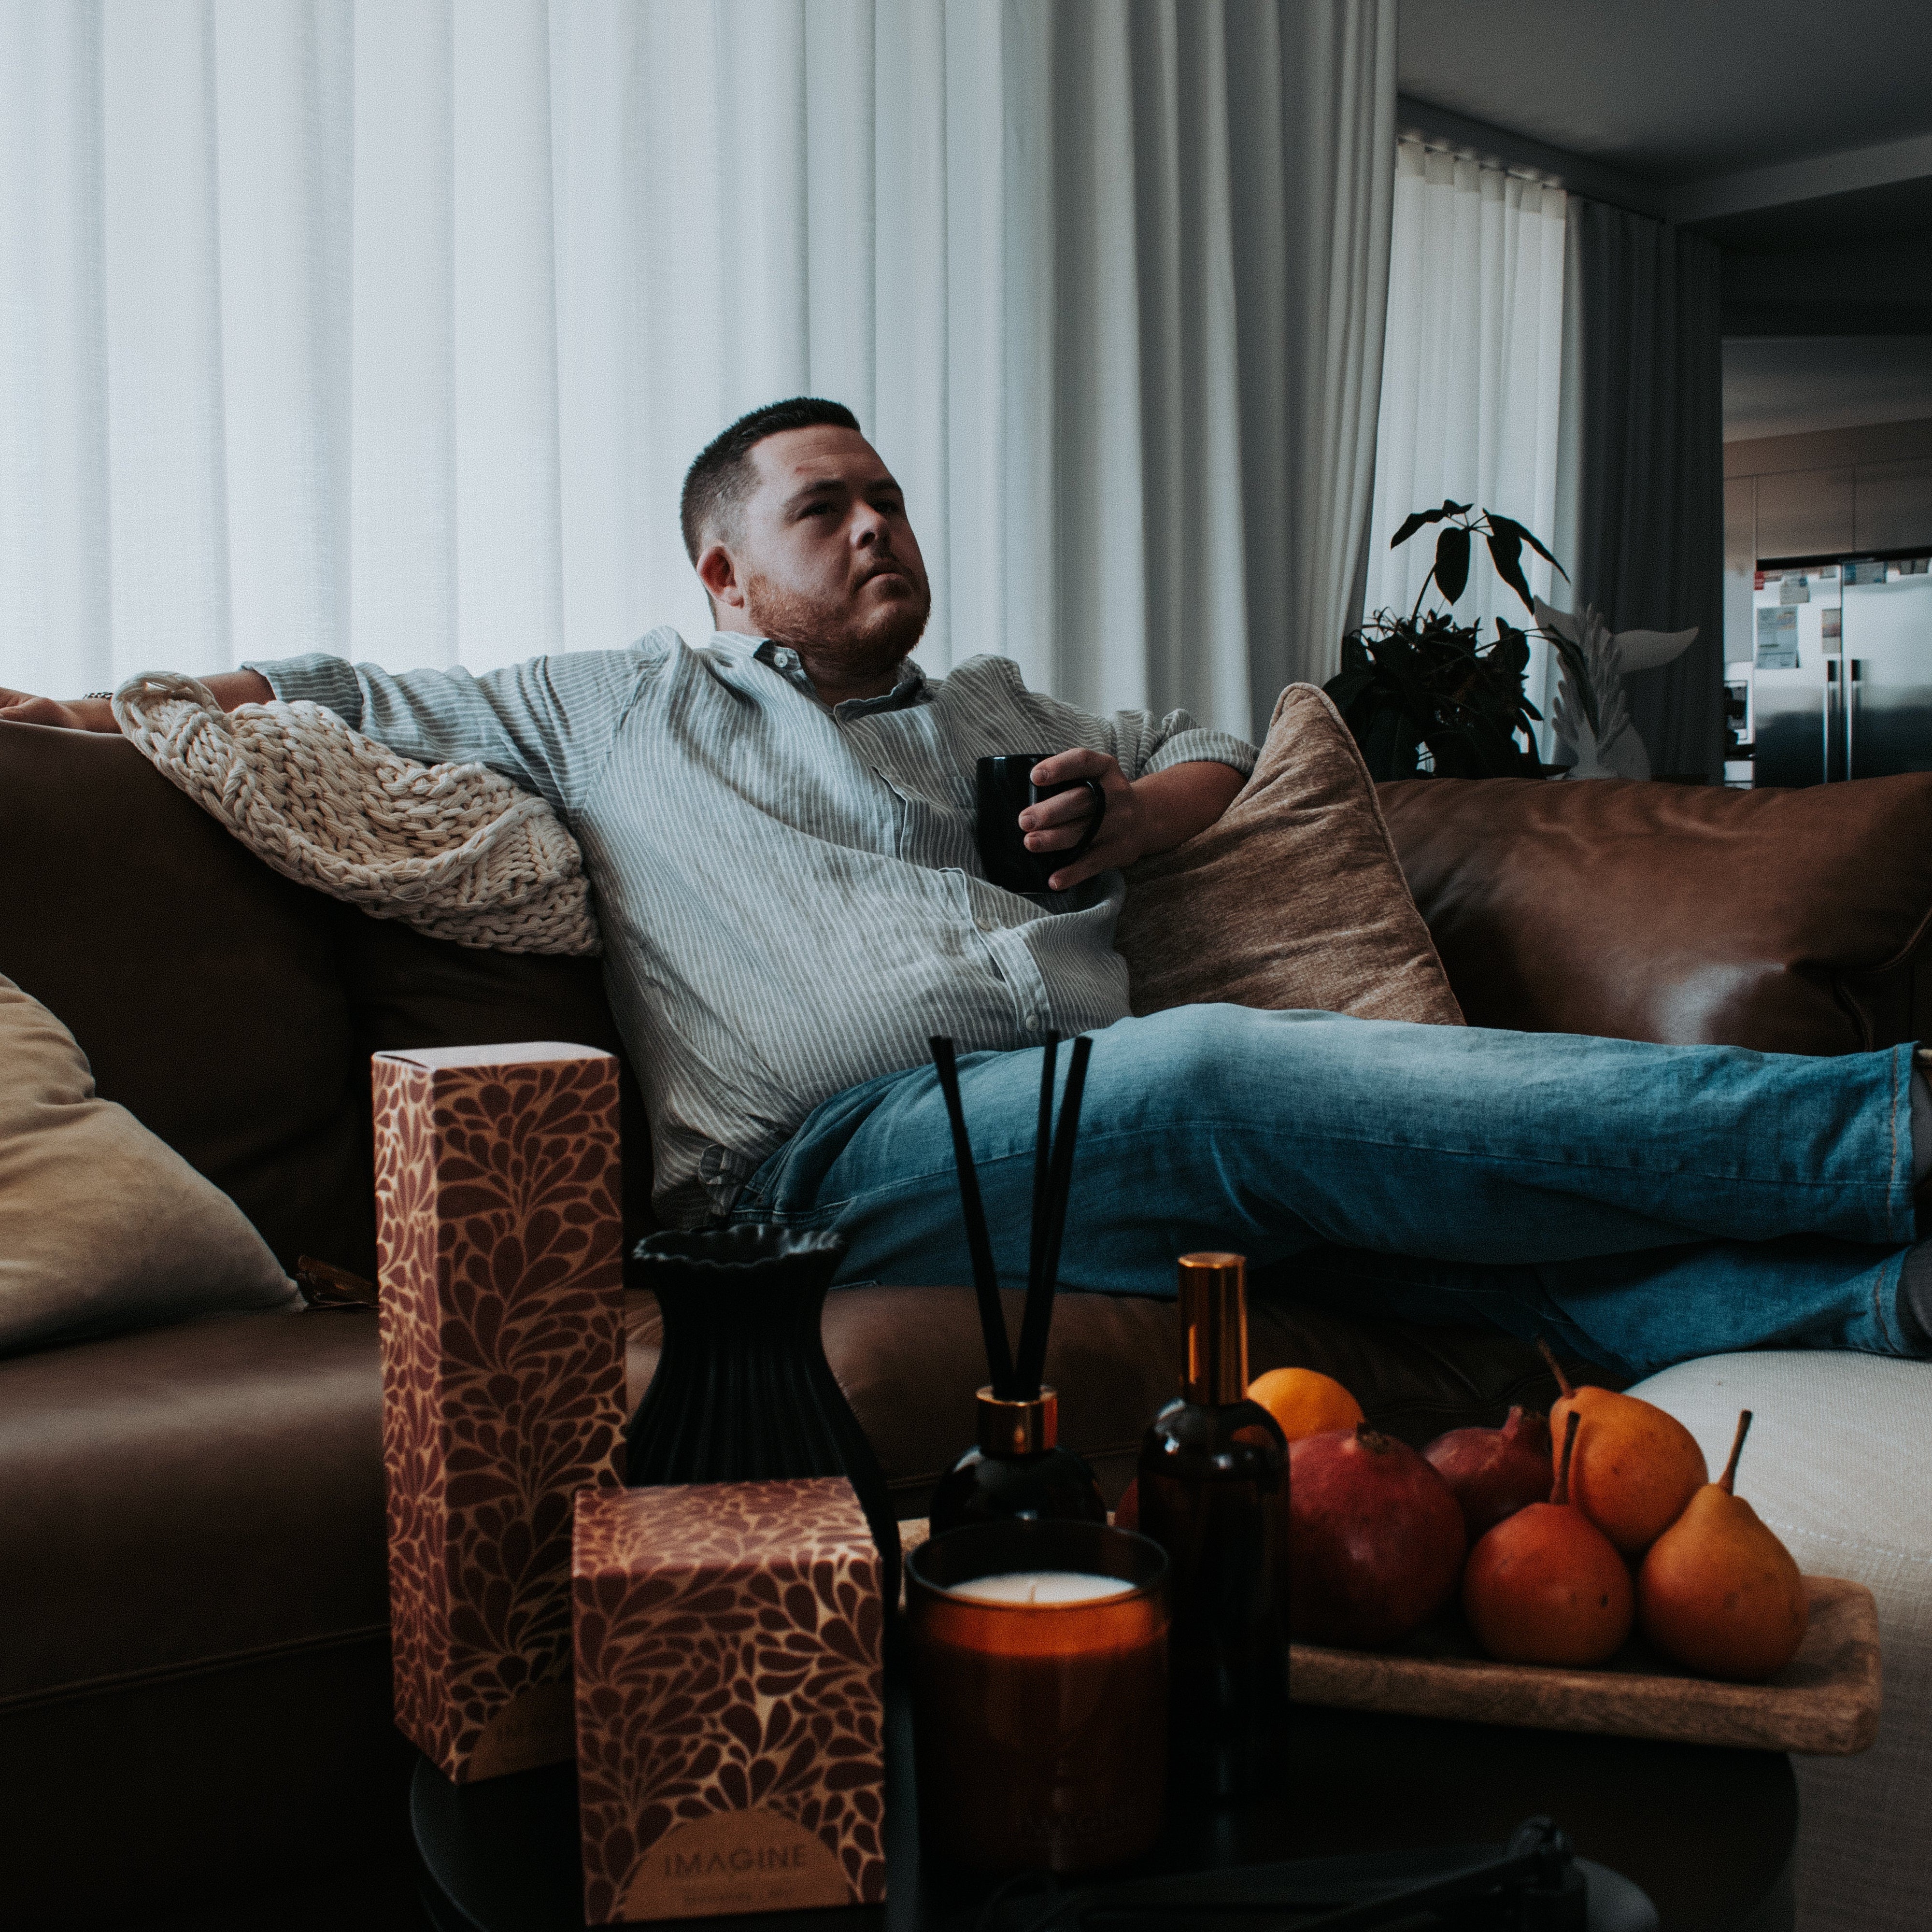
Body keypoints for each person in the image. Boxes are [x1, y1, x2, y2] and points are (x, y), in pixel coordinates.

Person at [6, 395, 1930, 1379]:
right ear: (725, 574)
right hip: (811, 1174)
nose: (876, 527)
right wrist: (96, 704)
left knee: (1421, 1294)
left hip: (1043, 1129)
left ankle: (1880, 1306)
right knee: (1211, 1073)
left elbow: (1210, 739)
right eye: (822, 509)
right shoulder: (602, 705)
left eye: (890, 497)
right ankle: (1886, 1125)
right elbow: (346, 690)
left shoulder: (998, 704)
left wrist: (1146, 816)